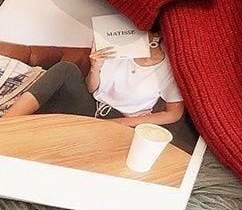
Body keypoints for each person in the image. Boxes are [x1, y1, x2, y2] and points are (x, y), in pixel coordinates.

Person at [0, 30, 194, 149]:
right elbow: (91, 88)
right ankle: (6, 125)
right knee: (66, 69)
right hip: (91, 105)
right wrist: (96, 67)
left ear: (156, 37)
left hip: (122, 121)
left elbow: (173, 114)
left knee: (69, 142)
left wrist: (122, 123)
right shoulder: (117, 50)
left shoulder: (169, 68)